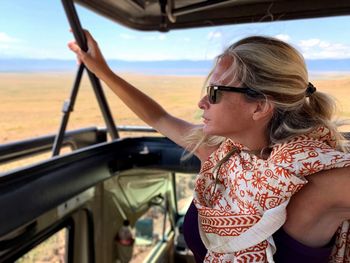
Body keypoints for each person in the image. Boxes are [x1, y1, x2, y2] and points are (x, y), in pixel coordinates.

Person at [68, 31, 350, 262]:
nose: (202, 103)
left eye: (214, 93)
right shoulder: (224, 155)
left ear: (260, 106)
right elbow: (158, 117)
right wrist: (101, 70)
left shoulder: (319, 182)